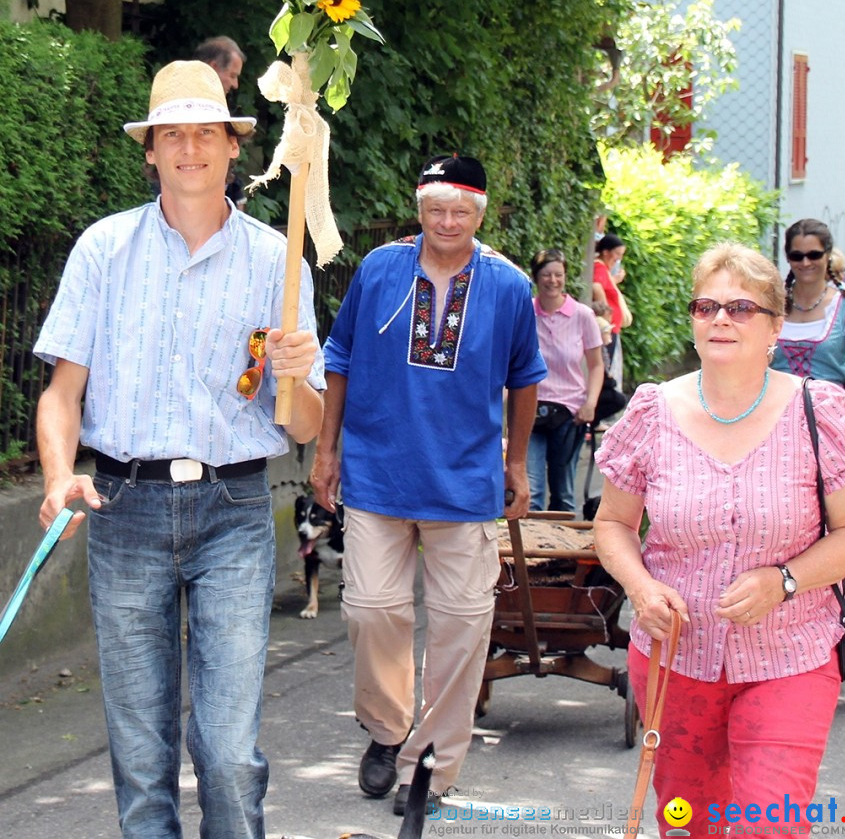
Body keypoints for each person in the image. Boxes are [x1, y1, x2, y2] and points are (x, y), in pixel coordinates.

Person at [33, 60, 325, 839]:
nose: (189, 147)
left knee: (228, 755)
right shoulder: (104, 250)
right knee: (140, 757)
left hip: (233, 509)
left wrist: (299, 379)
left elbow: (304, 426)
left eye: (205, 132)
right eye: (173, 135)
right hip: (124, 505)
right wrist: (60, 475)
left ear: (234, 148)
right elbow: (62, 392)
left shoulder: (277, 261)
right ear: (151, 151)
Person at [594, 242, 845, 838]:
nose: (721, 318)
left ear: (776, 326)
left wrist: (784, 579)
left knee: (768, 825)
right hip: (676, 662)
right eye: (706, 306)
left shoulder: (817, 411)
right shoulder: (651, 411)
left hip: (790, 658)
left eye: (741, 308)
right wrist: (642, 588)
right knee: (687, 823)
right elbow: (613, 524)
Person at [310, 154, 545, 816]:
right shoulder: (380, 268)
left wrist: (518, 462)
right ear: (420, 210)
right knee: (372, 609)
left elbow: (526, 376)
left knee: (463, 626)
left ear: (479, 213)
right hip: (377, 474)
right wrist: (326, 452)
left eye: (461, 211)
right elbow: (340, 358)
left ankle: (430, 772)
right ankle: (387, 729)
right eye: (436, 209)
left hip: (465, 483)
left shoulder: (508, 286)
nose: (448, 221)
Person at [770, 218, 845, 426]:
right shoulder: (773, 306)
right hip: (776, 421)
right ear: (789, 258)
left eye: (814, 255)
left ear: (827, 255)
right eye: (797, 256)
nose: (805, 263)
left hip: (831, 423)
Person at [527, 248, 604, 513]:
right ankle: (530, 553)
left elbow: (596, 365)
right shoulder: (524, 312)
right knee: (530, 489)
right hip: (529, 409)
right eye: (546, 274)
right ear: (536, 277)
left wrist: (590, 403)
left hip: (570, 412)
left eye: (558, 274)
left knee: (563, 492)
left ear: (565, 277)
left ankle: (564, 553)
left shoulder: (582, 315)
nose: (552, 281)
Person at [195, 36, 249, 209]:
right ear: (213, 68)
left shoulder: (218, 106)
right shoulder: (188, 108)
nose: (235, 84)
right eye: (232, 75)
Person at [591, 233, 628, 369]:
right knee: (604, 368)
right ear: (605, 252)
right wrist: (606, 313)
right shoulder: (599, 267)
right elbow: (596, 287)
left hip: (611, 326)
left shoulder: (604, 269)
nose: (619, 259)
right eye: (617, 254)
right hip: (607, 327)